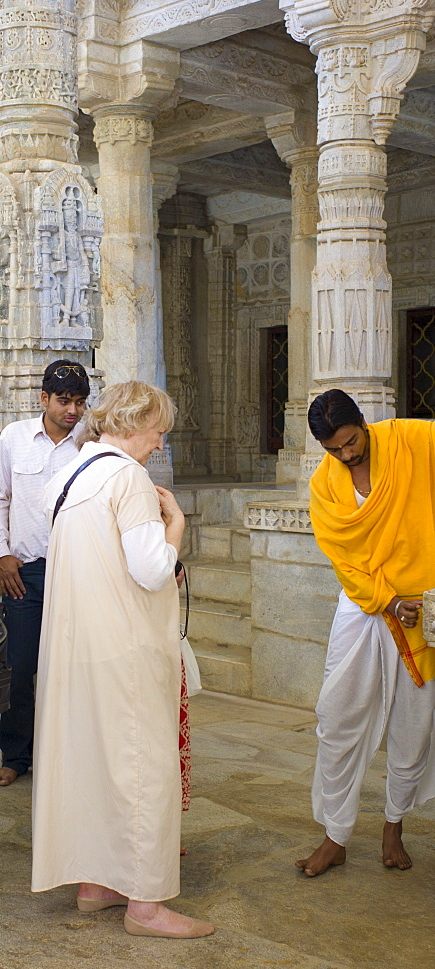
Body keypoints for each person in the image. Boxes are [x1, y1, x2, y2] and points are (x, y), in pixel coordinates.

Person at [297, 340, 435, 877]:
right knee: (337, 717)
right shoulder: (325, 484)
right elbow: (341, 557)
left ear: (365, 426)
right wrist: (386, 600)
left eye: (352, 443)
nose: (348, 455)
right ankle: (335, 834)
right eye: (335, 450)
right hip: (366, 606)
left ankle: (393, 825)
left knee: (414, 721)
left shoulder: (407, 439)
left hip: (419, 604)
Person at [31, 380, 214, 940]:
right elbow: (151, 569)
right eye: (159, 430)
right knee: (142, 771)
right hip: (124, 652)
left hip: (77, 650)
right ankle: (147, 907)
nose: (161, 442)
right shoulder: (129, 478)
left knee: (94, 765)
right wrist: (176, 527)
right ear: (135, 424)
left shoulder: (69, 475)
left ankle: (97, 885)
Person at [0, 360, 90, 787]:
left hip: (78, 573)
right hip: (26, 573)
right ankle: (16, 755)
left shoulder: (91, 444)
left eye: (79, 401)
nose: (72, 410)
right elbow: (0, 499)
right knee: (20, 666)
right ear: (43, 399)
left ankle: (64, 757)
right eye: (63, 400)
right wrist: (2, 556)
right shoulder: (14, 438)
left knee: (74, 667)